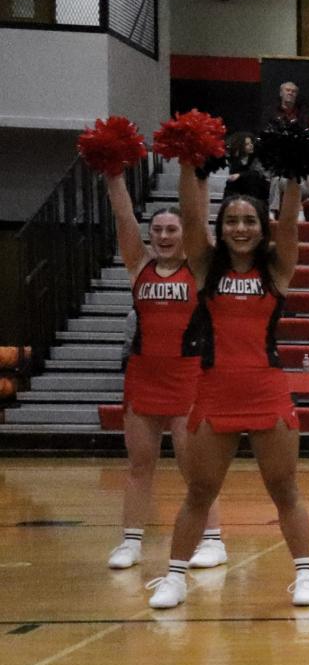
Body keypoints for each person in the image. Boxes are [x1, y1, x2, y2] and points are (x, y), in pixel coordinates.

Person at [147, 154, 309, 610]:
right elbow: (192, 214)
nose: (240, 228)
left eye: (250, 221)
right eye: (232, 221)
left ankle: (306, 574)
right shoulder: (204, 267)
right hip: (214, 390)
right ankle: (174, 577)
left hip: (267, 388)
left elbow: (292, 225)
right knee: (200, 490)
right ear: (221, 229)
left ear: (263, 227)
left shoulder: (277, 269)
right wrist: (186, 162)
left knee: (284, 488)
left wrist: (295, 176)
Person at [103, 177, 225, 574]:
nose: (165, 235)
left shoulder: (199, 268)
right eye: (157, 230)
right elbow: (123, 215)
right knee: (140, 464)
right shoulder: (139, 266)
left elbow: (198, 218)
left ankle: (213, 540)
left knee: (195, 468)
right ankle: (130, 541)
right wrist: (114, 176)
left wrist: (199, 175)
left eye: (172, 229)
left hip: (188, 377)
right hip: (143, 376)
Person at [219, 133, 268, 207]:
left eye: (251, 143)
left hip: (255, 189)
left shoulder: (255, 158)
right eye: (247, 144)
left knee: (251, 179)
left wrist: (240, 175)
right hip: (238, 189)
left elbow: (257, 173)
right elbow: (232, 175)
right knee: (231, 184)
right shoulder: (234, 159)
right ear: (240, 146)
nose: (251, 145)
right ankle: (228, 207)